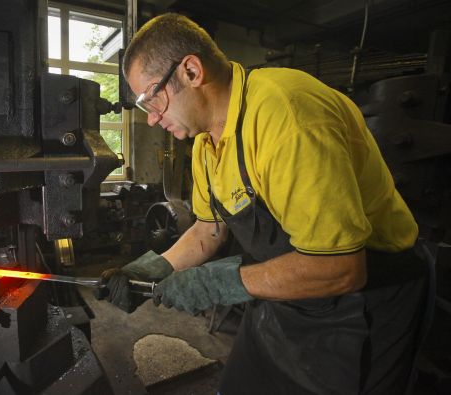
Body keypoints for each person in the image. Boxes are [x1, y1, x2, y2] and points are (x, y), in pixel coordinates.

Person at [101, 13, 429, 395]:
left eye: (151, 98)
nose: (153, 119)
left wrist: (217, 283)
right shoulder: (206, 143)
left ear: (191, 71)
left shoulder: (287, 115)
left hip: (363, 305)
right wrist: (151, 269)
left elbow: (341, 267)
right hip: (283, 298)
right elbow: (209, 228)